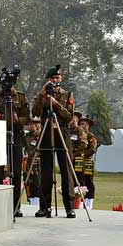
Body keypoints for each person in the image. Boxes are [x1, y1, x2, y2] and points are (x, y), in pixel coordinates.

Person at [31, 65, 76, 218]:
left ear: (61, 79)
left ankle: (70, 207)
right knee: (46, 171)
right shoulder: (42, 95)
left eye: (57, 78)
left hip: (62, 131)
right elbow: (35, 113)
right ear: (47, 80)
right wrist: (42, 95)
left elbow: (69, 116)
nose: (55, 81)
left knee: (66, 170)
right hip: (46, 131)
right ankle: (44, 207)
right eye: (52, 78)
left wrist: (55, 104)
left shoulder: (67, 94)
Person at [0, 86, 30, 217]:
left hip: (16, 135)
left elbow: (27, 118)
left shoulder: (21, 97)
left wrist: (18, 119)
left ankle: (16, 206)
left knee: (16, 173)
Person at [78, 116, 98, 209]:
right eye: (80, 124)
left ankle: (89, 202)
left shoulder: (91, 136)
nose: (81, 126)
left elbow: (92, 149)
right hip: (78, 162)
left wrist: (83, 154)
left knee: (88, 181)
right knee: (79, 180)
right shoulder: (79, 135)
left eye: (83, 124)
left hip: (87, 162)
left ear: (88, 125)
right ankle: (80, 201)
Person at [25, 117, 43, 207]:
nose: (34, 125)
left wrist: (38, 134)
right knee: (28, 183)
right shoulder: (27, 136)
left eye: (37, 123)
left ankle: (37, 203)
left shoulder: (42, 135)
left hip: (38, 163)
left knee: (37, 183)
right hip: (28, 163)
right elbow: (26, 148)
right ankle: (31, 202)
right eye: (32, 123)